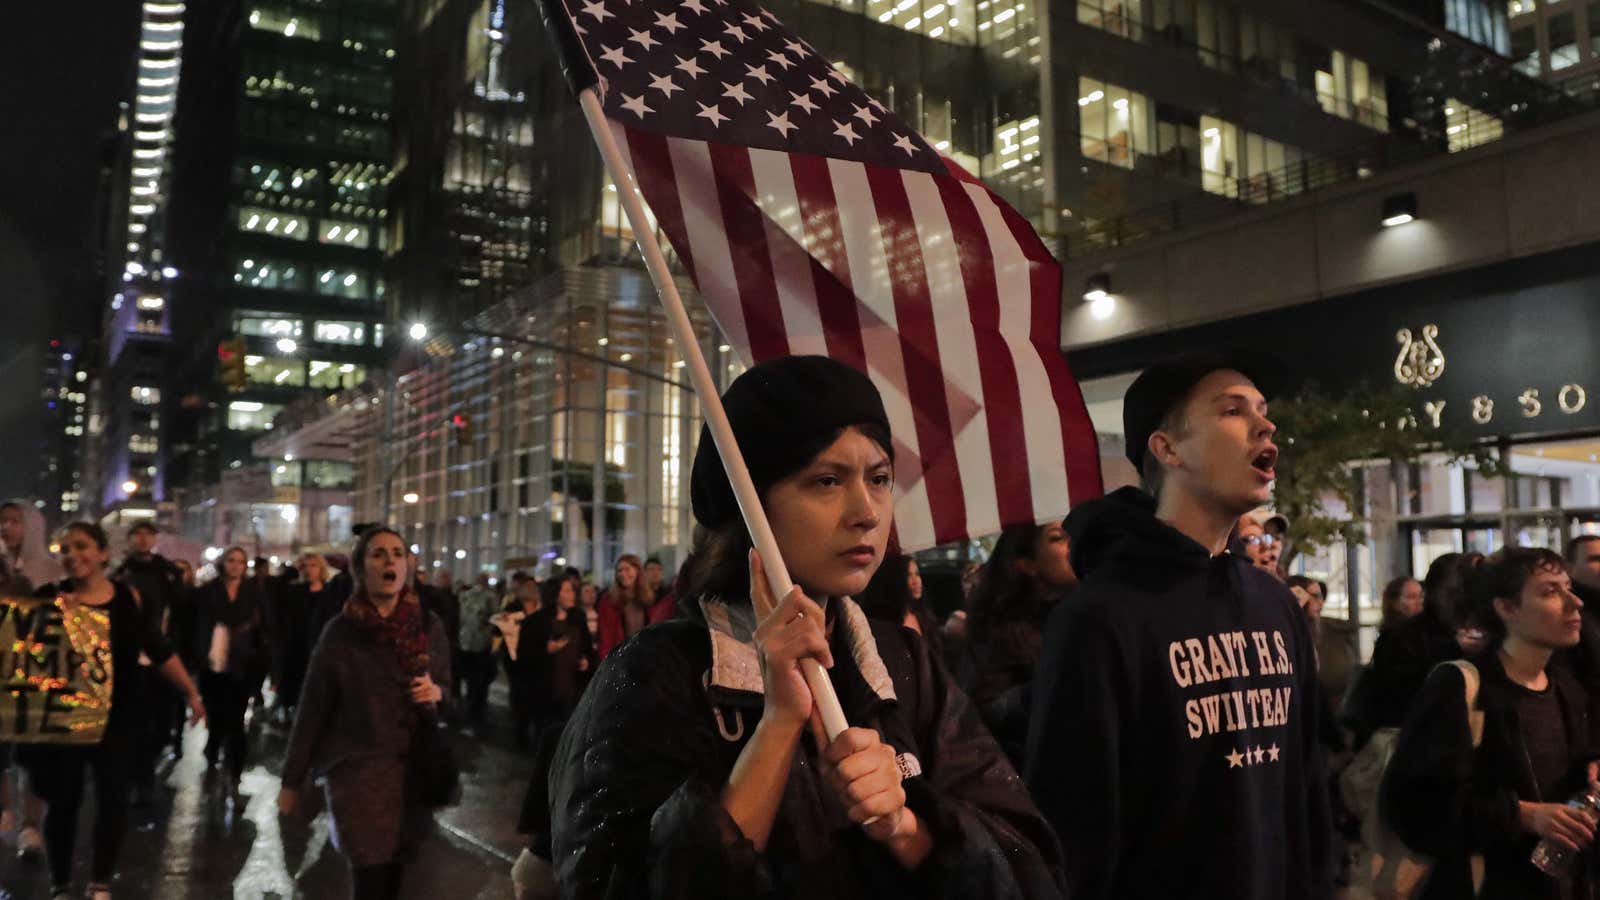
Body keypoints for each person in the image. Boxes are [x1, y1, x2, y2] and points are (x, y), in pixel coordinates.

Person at [548, 355, 1064, 898]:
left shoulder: (903, 663)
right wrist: (776, 728)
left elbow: (1031, 868)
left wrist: (907, 827)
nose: (866, 511)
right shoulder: (656, 672)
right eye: (826, 480)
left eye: (880, 477)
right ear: (748, 506)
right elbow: (609, 881)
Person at [1026, 352, 1333, 899]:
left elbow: (1305, 787)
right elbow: (1074, 828)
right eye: (1232, 411)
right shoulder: (1099, 618)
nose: (1265, 425)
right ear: (1167, 449)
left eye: (1263, 411)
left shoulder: (1274, 604)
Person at [1381, 547, 1597, 899]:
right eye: (1550, 592)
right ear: (1506, 608)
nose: (1574, 603)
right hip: (1486, 885)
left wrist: (1589, 770)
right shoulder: (1462, 687)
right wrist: (1523, 815)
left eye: (1568, 587)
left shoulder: (1566, 689)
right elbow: (1416, 808)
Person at [21, 522, 204, 900]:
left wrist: (190, 691)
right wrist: (55, 622)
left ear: (104, 553)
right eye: (66, 549)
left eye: (82, 546)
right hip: (64, 720)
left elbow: (157, 647)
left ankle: (100, 882)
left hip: (117, 715)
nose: (73, 555)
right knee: (64, 801)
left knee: (113, 798)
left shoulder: (128, 599)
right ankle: (60, 884)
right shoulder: (48, 597)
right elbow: (24, 658)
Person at [279, 526, 451, 900]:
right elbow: (313, 708)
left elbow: (450, 694)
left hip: (413, 773)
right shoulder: (340, 632)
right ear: (360, 568)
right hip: (357, 773)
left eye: (397, 553)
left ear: (407, 565)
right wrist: (292, 780)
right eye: (378, 554)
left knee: (398, 878)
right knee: (369, 876)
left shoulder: (428, 626)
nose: (389, 560)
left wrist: (437, 692)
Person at [962, 524, 1076, 768]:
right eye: (1057, 538)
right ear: (1027, 564)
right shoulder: (999, 631)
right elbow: (988, 712)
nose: (1072, 544)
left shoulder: (1079, 614)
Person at [111, 522, 188, 808]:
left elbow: (182, 609)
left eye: (147, 534)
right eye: (137, 534)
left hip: (161, 652)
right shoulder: (121, 571)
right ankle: (138, 780)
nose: (142, 539)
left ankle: (145, 771)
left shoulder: (167, 572)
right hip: (129, 656)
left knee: (161, 721)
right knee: (133, 720)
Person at [0, 500, 56, 858]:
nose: (7, 528)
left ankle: (31, 826)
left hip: (37, 674)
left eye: (14, 521)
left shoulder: (50, 570)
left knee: (35, 756)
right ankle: (6, 811)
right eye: (2, 521)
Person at [191, 546, 268, 794]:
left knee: (236, 719)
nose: (235, 565)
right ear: (223, 563)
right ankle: (213, 750)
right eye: (231, 560)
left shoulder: (254, 593)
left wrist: (266, 664)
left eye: (240, 561)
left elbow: (266, 629)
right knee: (215, 713)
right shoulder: (207, 592)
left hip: (242, 663)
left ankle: (234, 770)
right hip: (213, 660)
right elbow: (196, 624)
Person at [525, 575, 593, 733]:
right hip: (545, 692)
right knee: (546, 735)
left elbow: (587, 648)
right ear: (555, 594)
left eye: (572, 591)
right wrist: (545, 651)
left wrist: (586, 661)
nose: (572, 595)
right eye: (567, 591)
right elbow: (524, 656)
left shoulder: (578, 618)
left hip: (572, 690)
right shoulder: (536, 621)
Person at [275, 554, 328, 722]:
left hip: (321, 648)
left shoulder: (330, 592)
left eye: (313, 565)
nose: (309, 570)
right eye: (305, 566)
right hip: (297, 648)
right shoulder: (294, 591)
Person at [493, 577, 543, 748]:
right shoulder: (512, 609)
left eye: (533, 586)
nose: (531, 589)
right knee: (519, 702)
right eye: (527, 586)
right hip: (516, 665)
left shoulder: (542, 612)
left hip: (538, 665)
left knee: (537, 703)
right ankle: (520, 736)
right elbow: (496, 631)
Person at [456, 573, 500, 731]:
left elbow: (460, 619)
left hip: (466, 644)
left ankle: (472, 712)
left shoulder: (464, 596)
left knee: (471, 681)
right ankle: (476, 714)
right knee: (479, 682)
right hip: (481, 645)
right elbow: (495, 619)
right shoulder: (490, 596)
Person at [596, 554, 651, 659]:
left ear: (637, 571)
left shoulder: (647, 599)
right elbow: (605, 637)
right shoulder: (608, 601)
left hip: (643, 656)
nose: (622, 574)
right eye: (619, 570)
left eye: (627, 569)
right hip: (619, 657)